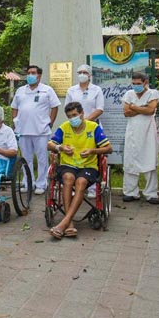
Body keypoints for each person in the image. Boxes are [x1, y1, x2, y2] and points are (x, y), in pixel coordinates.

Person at [47, 102, 112, 239]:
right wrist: (61, 148)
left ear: (82, 114)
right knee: (68, 179)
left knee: (81, 182)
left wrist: (92, 151)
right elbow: (50, 144)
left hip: (88, 166)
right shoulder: (64, 128)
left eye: (75, 115)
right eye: (69, 116)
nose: (72, 119)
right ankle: (69, 224)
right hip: (68, 165)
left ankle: (64, 223)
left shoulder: (93, 128)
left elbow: (108, 148)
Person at [12, 65, 61, 195]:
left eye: (33, 73)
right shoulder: (20, 90)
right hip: (23, 130)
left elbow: (55, 107)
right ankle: (28, 183)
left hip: (41, 130)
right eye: (28, 73)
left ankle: (41, 184)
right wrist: (15, 122)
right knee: (25, 158)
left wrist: (50, 122)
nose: (30, 75)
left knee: (42, 159)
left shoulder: (47, 90)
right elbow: (14, 107)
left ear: (39, 75)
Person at [122, 72, 159, 204]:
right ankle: (130, 192)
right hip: (132, 131)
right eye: (133, 83)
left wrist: (134, 106)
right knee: (130, 160)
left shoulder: (153, 93)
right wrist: (142, 107)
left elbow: (150, 110)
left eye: (138, 83)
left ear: (145, 82)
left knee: (149, 159)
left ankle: (151, 193)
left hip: (148, 132)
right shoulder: (128, 94)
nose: (136, 86)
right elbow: (126, 112)